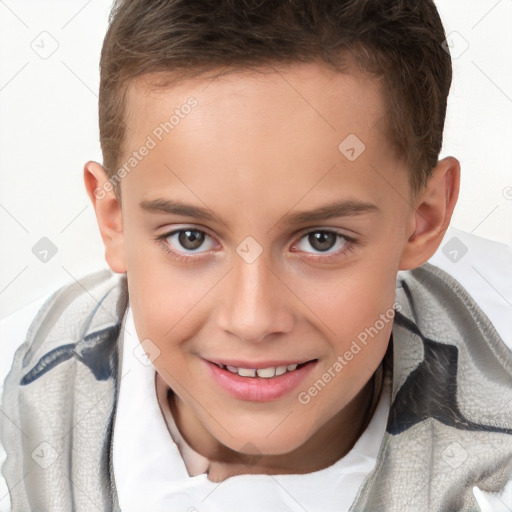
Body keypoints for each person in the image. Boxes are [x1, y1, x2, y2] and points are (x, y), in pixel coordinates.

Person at [1, 0, 511, 510]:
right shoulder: (18, 406)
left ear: (422, 218)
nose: (252, 320)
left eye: (321, 240)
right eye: (190, 238)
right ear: (114, 221)